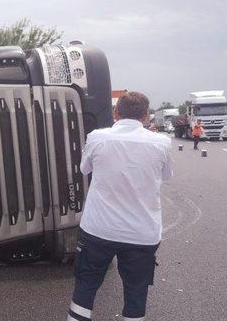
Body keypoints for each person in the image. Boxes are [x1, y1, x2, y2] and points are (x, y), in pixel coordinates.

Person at [67, 92, 173, 321]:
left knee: (86, 285)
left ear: (116, 113)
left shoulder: (97, 137)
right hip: (142, 233)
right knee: (136, 291)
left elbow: (84, 169)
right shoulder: (162, 142)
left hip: (98, 229)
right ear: (145, 117)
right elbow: (167, 177)